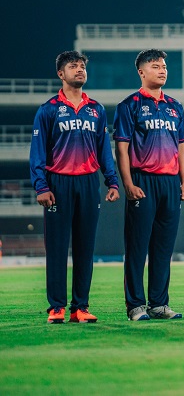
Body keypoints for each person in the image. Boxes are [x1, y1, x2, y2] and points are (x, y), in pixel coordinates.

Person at [30, 51, 120, 323]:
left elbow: (104, 150)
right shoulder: (48, 109)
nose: (80, 70)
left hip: (88, 183)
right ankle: (56, 307)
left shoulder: (97, 109)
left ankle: (80, 307)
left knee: (85, 247)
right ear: (61, 74)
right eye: (73, 66)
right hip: (58, 183)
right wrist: (41, 186)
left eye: (82, 66)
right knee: (57, 247)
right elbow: (37, 152)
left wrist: (112, 180)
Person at [114, 50, 184, 321]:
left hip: (170, 182)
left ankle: (159, 304)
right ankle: (135, 305)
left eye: (164, 66)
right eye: (156, 66)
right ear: (141, 72)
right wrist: (128, 183)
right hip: (143, 181)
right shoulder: (129, 105)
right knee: (137, 247)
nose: (162, 70)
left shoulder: (175, 106)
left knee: (163, 248)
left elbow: (182, 146)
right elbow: (121, 148)